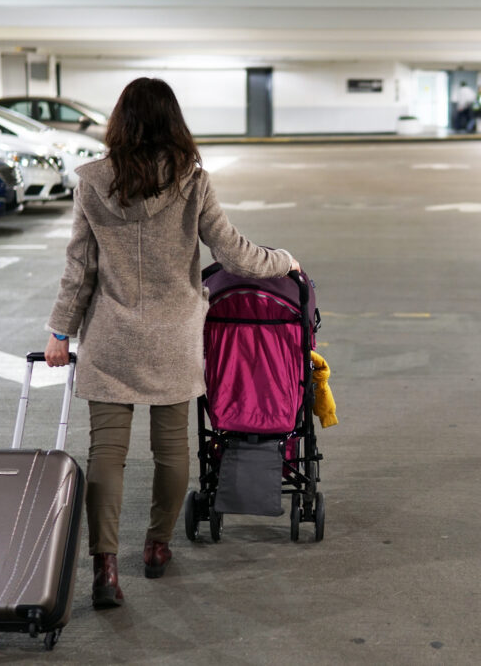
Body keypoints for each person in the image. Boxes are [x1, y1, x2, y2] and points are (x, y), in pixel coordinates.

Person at [43, 77, 300, 610]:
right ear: (173, 122)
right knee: (172, 450)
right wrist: (285, 262)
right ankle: (157, 546)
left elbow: (79, 268)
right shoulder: (192, 181)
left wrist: (59, 332)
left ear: (120, 121)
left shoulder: (92, 181)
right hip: (175, 336)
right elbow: (233, 254)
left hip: (113, 334)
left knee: (107, 454)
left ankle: (105, 568)